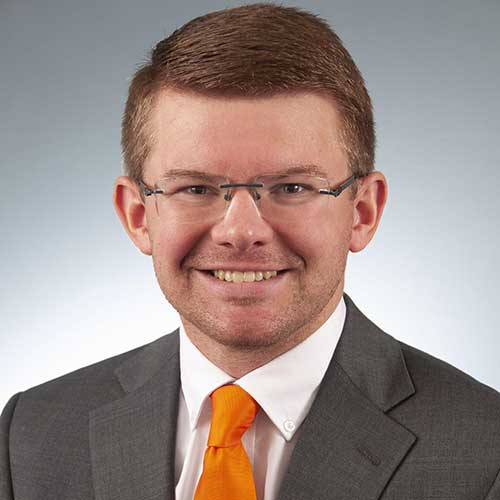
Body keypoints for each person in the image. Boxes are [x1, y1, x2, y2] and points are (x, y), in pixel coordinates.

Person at [1, 3, 499, 499]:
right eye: (195, 189)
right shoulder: (31, 437)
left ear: (362, 212)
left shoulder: (485, 454)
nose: (241, 232)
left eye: (292, 187)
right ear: (137, 215)